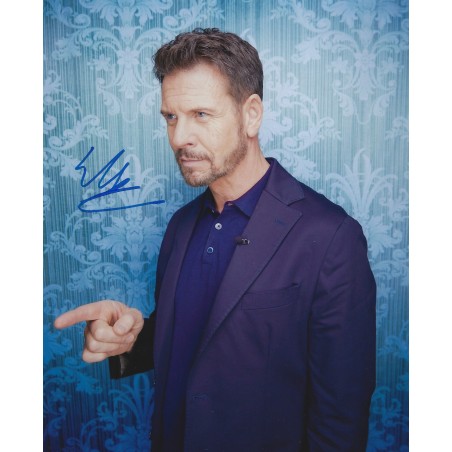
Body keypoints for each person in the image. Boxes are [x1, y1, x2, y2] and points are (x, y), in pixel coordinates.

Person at [54, 28, 376, 452]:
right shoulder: (181, 225)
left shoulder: (331, 236)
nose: (179, 137)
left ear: (251, 115)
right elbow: (205, 338)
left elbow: (340, 418)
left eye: (201, 114)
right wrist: (132, 339)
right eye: (171, 117)